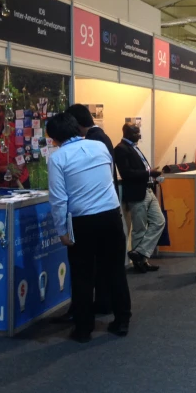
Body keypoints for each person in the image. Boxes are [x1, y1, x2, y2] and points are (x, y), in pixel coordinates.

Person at [46, 113, 131, 343]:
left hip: (82, 221)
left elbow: (58, 199)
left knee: (83, 275)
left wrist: (62, 231)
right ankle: (122, 321)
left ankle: (83, 329)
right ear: (77, 128)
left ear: (54, 138)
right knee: (115, 271)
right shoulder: (100, 147)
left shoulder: (57, 158)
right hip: (111, 216)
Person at [62, 104, 115, 317]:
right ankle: (103, 305)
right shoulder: (101, 138)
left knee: (87, 267)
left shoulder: (93, 141)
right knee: (103, 264)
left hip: (90, 213)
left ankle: (87, 312)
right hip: (107, 210)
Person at [114, 124, 165, 273]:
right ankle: (141, 262)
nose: (139, 135)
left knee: (159, 221)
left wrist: (150, 175)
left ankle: (140, 252)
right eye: (136, 133)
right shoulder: (121, 149)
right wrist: (149, 173)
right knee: (139, 229)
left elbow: (140, 169)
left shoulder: (134, 147)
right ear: (127, 133)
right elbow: (127, 173)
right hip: (136, 193)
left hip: (148, 190)